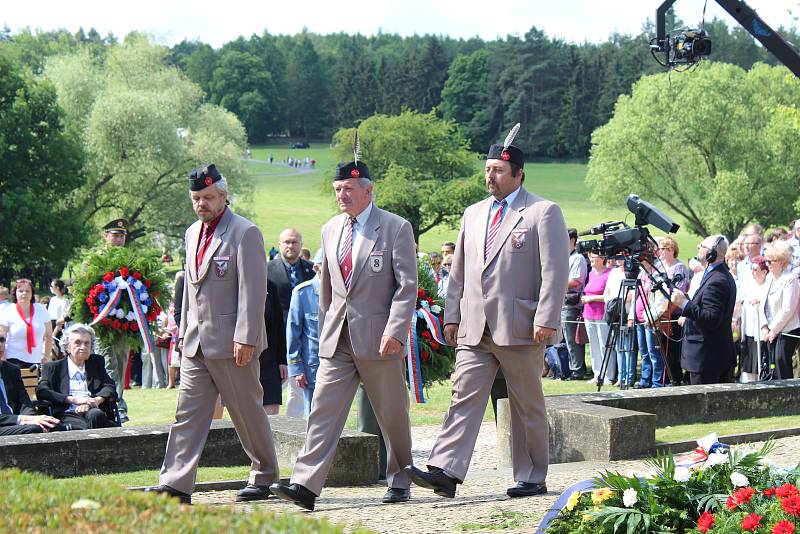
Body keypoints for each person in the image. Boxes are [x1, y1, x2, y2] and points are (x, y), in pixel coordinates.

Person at [405, 126, 569, 499]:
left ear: (519, 175)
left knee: (526, 403)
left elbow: (555, 271)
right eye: (487, 170)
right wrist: (451, 315)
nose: (489, 177)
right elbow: (458, 271)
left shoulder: (542, 212)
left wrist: (547, 317)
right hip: (475, 326)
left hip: (522, 326)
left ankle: (531, 475)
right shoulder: (473, 214)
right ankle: (445, 470)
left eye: (497, 170)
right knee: (463, 395)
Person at [270, 155, 417, 510]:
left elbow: (406, 286)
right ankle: (305, 485)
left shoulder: (396, 227)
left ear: (368, 190)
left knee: (391, 413)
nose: (342, 195)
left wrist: (395, 329)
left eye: (348, 189)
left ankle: (400, 478)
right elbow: (327, 289)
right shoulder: (331, 228)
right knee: (322, 410)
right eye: (338, 189)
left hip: (380, 340)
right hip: (337, 339)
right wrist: (324, 333)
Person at [145, 164, 279, 505]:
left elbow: (253, 289)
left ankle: (264, 474)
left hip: (234, 343)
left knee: (246, 411)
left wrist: (246, 337)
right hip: (196, 342)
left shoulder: (245, 232)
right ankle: (176, 483)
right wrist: (182, 337)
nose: (200, 204)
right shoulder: (192, 233)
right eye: (195, 198)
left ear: (223, 196)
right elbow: (190, 291)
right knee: (186, 413)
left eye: (207, 198)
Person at [671, 235, 737, 385]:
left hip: (708, 359)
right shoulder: (715, 274)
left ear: (711, 253)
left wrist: (685, 304)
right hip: (708, 357)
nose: (698, 248)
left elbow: (711, 319)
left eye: (702, 246)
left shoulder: (717, 280)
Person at [267, 228, 315, 418]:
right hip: (275, 338)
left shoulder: (312, 270)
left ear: (301, 245)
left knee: (299, 390)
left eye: (294, 242)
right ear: (279, 245)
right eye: (286, 242)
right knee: (273, 390)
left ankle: (296, 429)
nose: (290, 246)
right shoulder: (267, 270)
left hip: (305, 338)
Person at [37, 324, 118, 430]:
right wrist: (73, 400)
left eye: (87, 343)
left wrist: (95, 401)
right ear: (67, 347)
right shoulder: (54, 368)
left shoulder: (96, 363)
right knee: (77, 427)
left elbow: (109, 386)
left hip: (94, 411)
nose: (83, 347)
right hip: (67, 413)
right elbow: (42, 391)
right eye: (77, 343)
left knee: (96, 415)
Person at [97, 218, 131, 422]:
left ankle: (117, 402)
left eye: (122, 236)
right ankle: (117, 405)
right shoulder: (96, 259)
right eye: (115, 235)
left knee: (121, 363)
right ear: (106, 236)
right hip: (103, 324)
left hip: (125, 322)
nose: (119, 239)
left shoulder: (130, 260)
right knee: (108, 363)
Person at [286, 249, 323, 416]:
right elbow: (293, 333)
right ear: (316, 268)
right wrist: (296, 368)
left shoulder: (342, 293)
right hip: (312, 367)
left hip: (339, 367)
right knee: (313, 417)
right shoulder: (302, 293)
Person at [0, 336, 60, 435]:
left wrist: (34, 419)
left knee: (52, 425)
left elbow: (25, 402)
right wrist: (24, 419)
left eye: (1, 340)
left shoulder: (11, 370)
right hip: (7, 424)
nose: (0, 345)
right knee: (33, 429)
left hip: (14, 424)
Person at [758, 241, 800, 380]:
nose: (768, 264)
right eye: (766, 261)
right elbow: (762, 304)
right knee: (770, 364)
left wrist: (773, 330)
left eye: (771, 261)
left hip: (786, 329)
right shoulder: (769, 278)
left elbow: (788, 308)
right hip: (769, 330)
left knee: (780, 360)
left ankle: (787, 395)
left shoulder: (790, 279)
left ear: (782, 262)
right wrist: (764, 327)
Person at [0, 278, 53, 369]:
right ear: (15, 293)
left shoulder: (41, 310)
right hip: (13, 359)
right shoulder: (8, 311)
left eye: (27, 291)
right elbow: (2, 337)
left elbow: (49, 335)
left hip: (35, 361)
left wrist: (46, 357)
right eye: (20, 291)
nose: (24, 294)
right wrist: (3, 357)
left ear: (32, 293)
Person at [581, 252, 615, 384]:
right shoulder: (591, 273)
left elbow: (610, 295)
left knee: (604, 345)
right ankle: (597, 373)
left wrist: (592, 298)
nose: (591, 259)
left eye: (594, 257)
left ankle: (608, 375)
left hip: (602, 314)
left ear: (602, 259)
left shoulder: (609, 273)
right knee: (594, 346)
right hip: (588, 313)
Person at [562, 228, 588, 380]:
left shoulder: (577, 258)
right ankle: (574, 367)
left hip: (572, 304)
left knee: (573, 339)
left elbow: (576, 281)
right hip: (563, 302)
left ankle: (577, 370)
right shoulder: (564, 257)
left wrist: (555, 283)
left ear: (572, 241)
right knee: (567, 338)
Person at [739, 256, 769, 382]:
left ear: (764, 272)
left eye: (755, 269)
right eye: (752, 269)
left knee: (760, 364)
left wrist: (760, 301)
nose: (753, 272)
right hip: (749, 331)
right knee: (749, 366)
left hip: (761, 333)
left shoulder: (768, 285)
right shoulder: (749, 285)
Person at [260, 278, 287, 415]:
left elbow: (278, 325)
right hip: (240, 362)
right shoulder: (232, 284)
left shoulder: (269, 285)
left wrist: (282, 360)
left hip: (269, 361)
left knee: (271, 419)